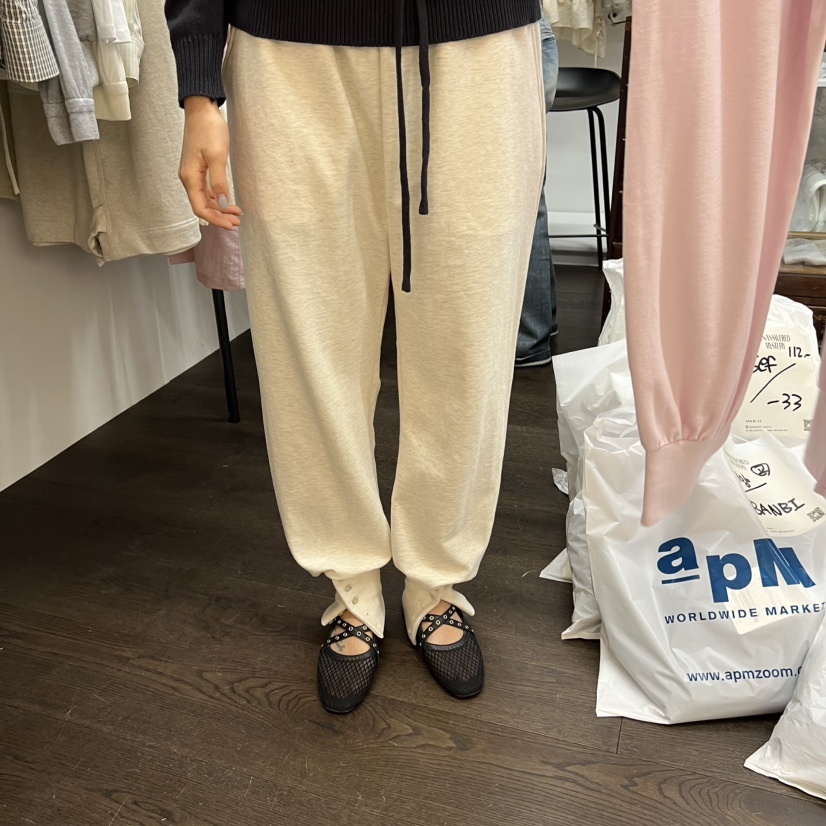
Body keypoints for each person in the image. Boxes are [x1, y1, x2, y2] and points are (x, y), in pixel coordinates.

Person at [164, 0, 545, 714]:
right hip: (289, 53)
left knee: (469, 343)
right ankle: (351, 585)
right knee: (310, 345)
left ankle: (435, 583)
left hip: (477, 46)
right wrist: (199, 92)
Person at [516, 8, 560, 368]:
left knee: (518, 193)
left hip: (511, 37)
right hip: (528, 29)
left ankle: (529, 337)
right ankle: (539, 322)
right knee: (527, 191)